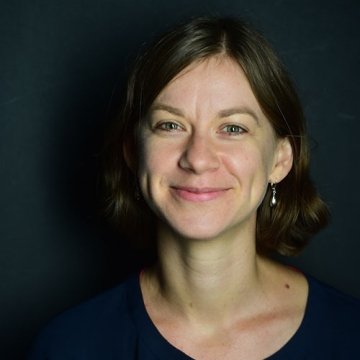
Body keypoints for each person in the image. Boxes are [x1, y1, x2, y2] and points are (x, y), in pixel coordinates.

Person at [28, 16, 360, 359]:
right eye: (170, 125)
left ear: (280, 160)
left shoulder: (352, 336)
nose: (198, 159)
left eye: (232, 129)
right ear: (132, 152)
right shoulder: (67, 346)